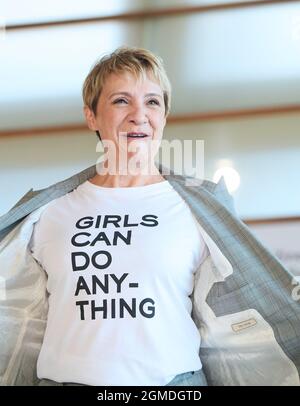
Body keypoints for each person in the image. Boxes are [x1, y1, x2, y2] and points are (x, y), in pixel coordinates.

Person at [0, 47, 299, 387]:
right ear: (91, 116)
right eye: (121, 101)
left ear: (165, 116)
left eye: (153, 102)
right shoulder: (48, 213)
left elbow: (248, 306)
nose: (139, 115)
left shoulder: (200, 209)